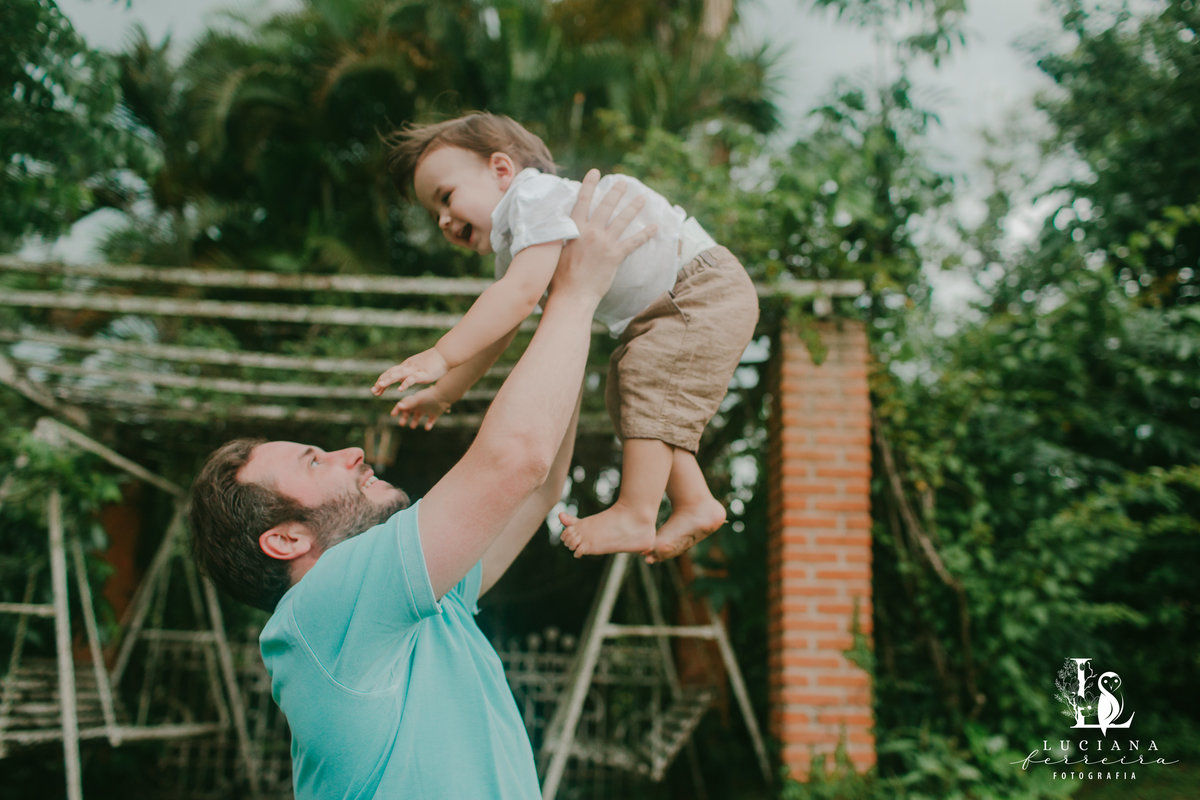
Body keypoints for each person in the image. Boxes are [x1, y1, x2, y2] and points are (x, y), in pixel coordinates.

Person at [188, 172, 655, 800]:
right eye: (315, 462)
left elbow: (538, 484)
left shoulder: (426, 607)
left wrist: (562, 303)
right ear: (286, 539)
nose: (352, 453)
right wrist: (576, 295)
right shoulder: (320, 611)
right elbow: (514, 460)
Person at [372, 112, 759, 564]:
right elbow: (498, 332)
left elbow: (518, 298)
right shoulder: (519, 244)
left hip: (698, 289)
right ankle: (694, 500)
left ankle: (636, 512)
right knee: (630, 396)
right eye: (433, 213)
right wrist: (445, 392)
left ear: (502, 170)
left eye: (446, 197)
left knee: (645, 381)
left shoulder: (532, 196)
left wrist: (440, 356)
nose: (442, 220)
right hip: (672, 307)